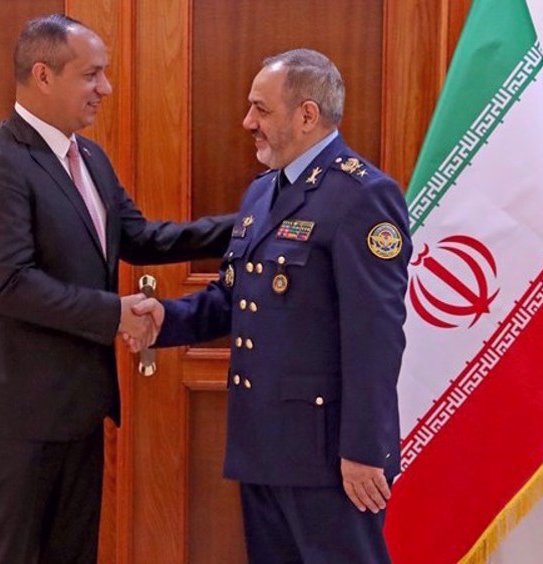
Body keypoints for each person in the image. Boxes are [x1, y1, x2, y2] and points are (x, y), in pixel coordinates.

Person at [0, 14, 235, 564]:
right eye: (92, 75)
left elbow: (142, 238)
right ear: (44, 75)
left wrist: (246, 227)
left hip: (75, 410)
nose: (106, 88)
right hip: (13, 417)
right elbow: (9, 284)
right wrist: (115, 313)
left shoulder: (90, 158)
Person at [137, 49, 412, 563]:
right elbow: (233, 296)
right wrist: (165, 319)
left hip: (328, 456)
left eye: (260, 109)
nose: (248, 122)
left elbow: (375, 336)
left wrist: (362, 451)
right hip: (262, 444)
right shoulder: (262, 193)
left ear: (307, 115)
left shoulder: (362, 196)